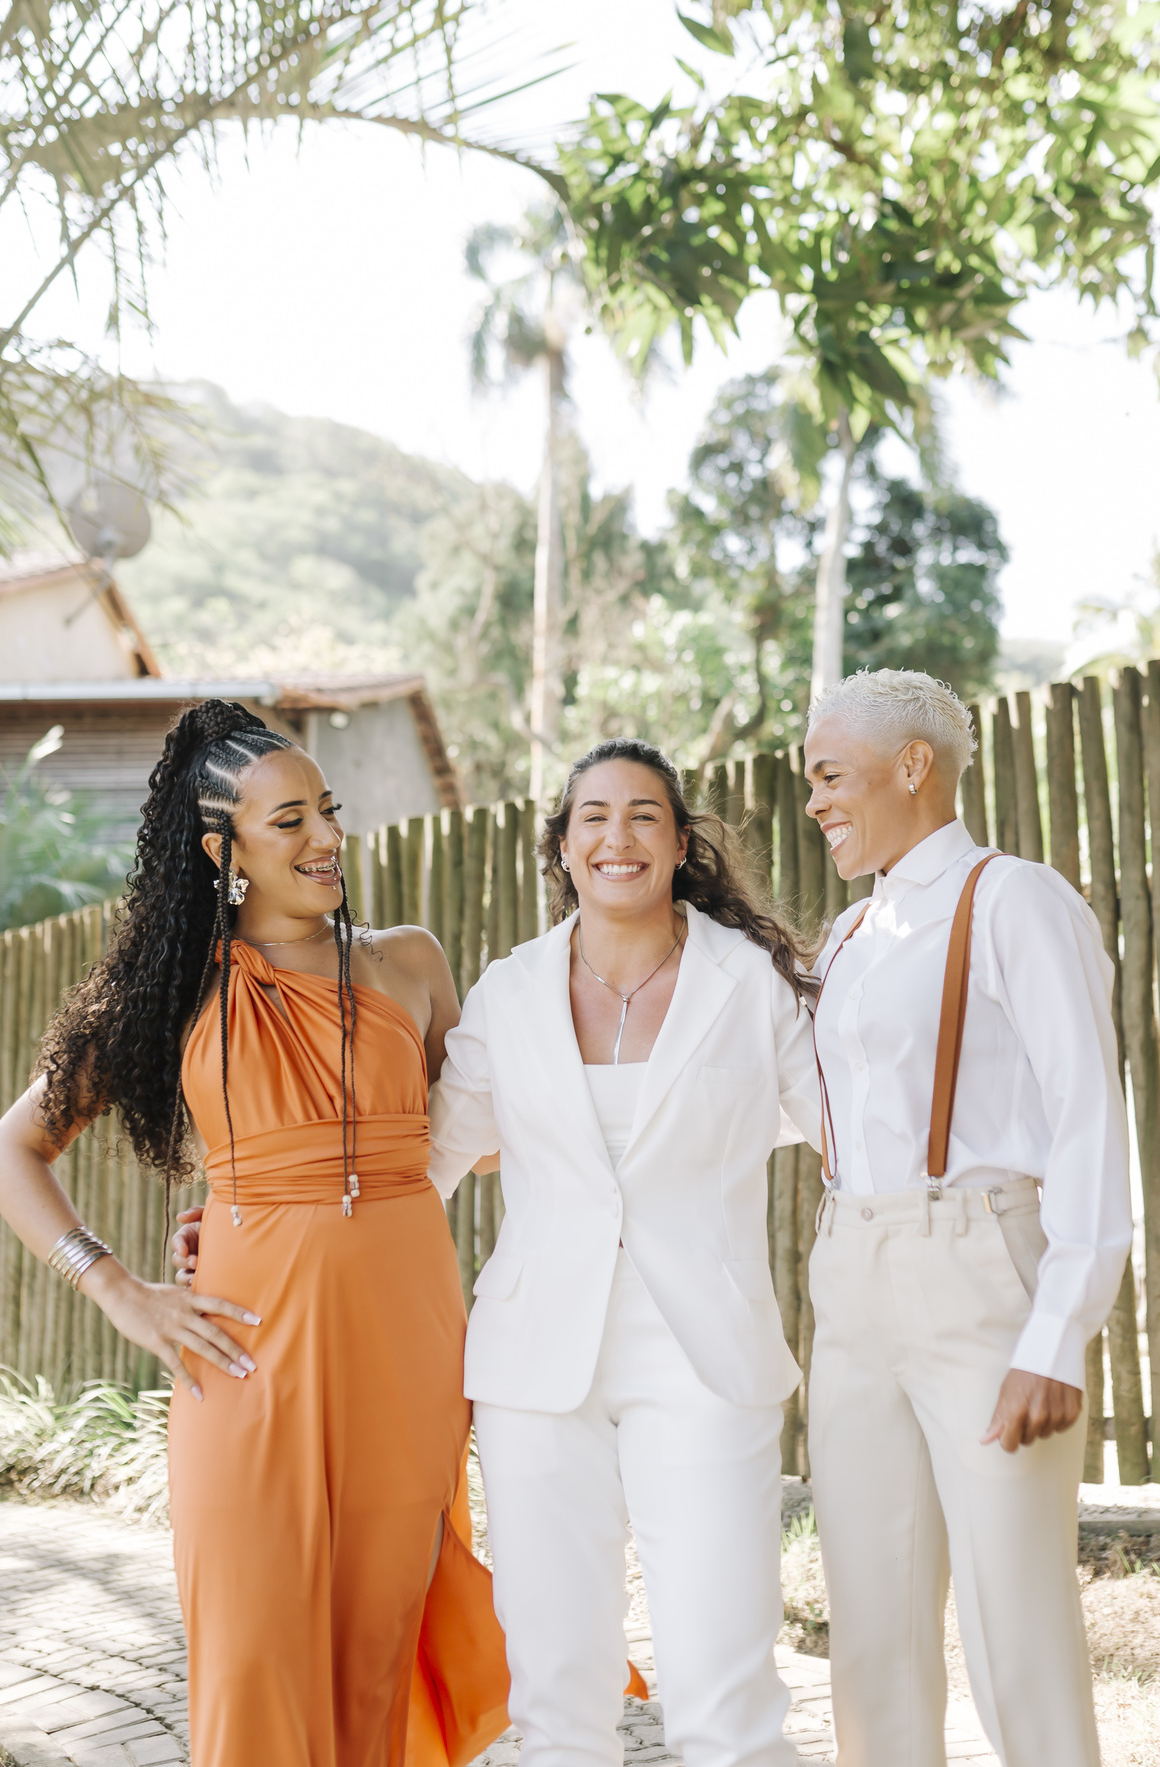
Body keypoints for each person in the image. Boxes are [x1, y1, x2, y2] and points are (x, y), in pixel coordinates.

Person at [0, 698, 509, 1767]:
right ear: (224, 849)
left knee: (373, 1657)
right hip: (245, 1353)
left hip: (406, 1347)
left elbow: (483, 1137)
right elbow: (8, 1154)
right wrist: (117, 1288)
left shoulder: (411, 962)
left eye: (329, 809)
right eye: (290, 821)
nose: (326, 837)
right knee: (253, 1650)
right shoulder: (175, 991)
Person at [427, 738, 822, 1767]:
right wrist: (256, 1221)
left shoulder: (752, 984)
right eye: (593, 817)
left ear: (682, 843)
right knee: (555, 1687)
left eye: (645, 815)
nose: (618, 837)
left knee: (723, 1682)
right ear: (561, 847)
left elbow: (853, 1133)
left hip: (707, 1357)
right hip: (534, 1368)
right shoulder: (509, 991)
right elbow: (425, 1163)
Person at [803, 668, 1133, 1767]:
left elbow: (1087, 1117)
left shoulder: (1015, 900)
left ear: (915, 766)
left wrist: (1057, 1335)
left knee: (1014, 1625)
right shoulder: (850, 934)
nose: (816, 801)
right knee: (872, 1628)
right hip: (852, 1277)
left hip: (980, 1269)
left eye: (830, 775)